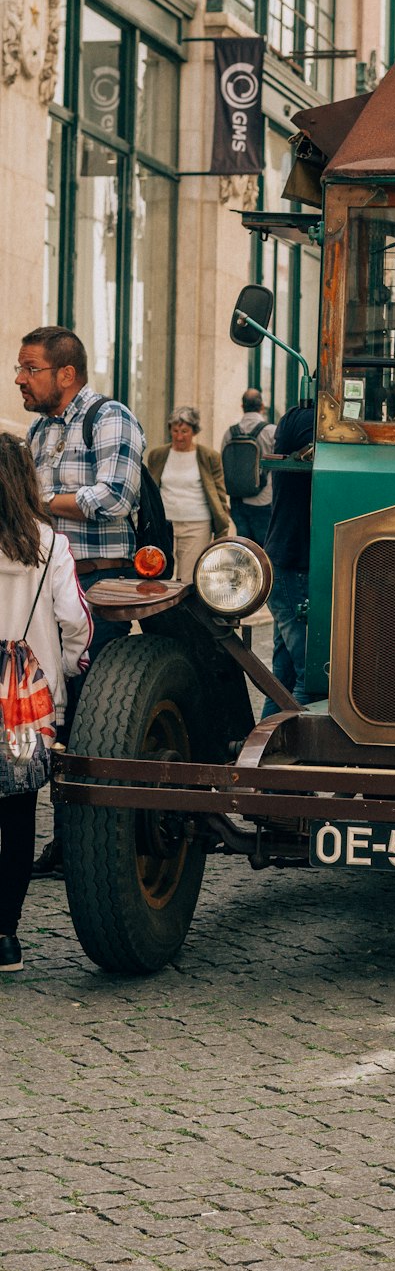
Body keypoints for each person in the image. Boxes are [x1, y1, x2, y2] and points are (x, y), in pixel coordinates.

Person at [18, 326, 144, 874]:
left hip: (98, 586)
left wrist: (41, 502)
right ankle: (66, 840)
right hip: (43, 587)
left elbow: (116, 496)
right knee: (48, 709)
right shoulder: (36, 431)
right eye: (19, 369)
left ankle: (89, 843)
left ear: (65, 374)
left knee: (89, 714)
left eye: (30, 369)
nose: (20, 379)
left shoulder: (109, 417)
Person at [0, 435, 92, 970]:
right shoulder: (50, 544)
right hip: (27, 706)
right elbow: (75, 620)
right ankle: (5, 936)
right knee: (16, 820)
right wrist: (69, 668)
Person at [261, 401, 318, 717]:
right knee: (309, 675)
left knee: (282, 674)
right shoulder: (308, 420)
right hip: (293, 565)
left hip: (284, 562)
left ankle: (265, 747)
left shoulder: (295, 418)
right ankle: (294, 749)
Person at [147, 407, 229, 584]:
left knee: (188, 579)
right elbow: (150, 490)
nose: (179, 436)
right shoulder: (158, 455)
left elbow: (220, 494)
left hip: (197, 524)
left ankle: (183, 612)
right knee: (160, 575)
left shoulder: (209, 457)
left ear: (194, 431)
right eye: (175, 431)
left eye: (184, 431)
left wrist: (222, 525)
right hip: (164, 523)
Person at [220, 388, 275, 545]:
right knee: (264, 550)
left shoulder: (230, 433)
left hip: (237, 501)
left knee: (243, 550)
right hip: (263, 500)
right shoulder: (271, 431)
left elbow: (224, 465)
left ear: (242, 406)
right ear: (262, 406)